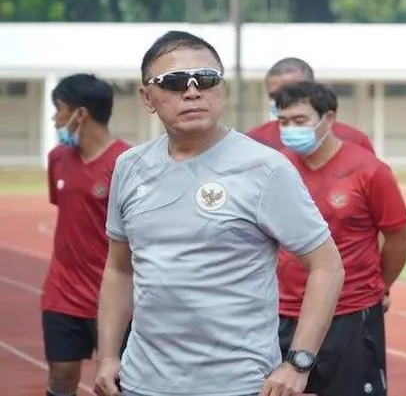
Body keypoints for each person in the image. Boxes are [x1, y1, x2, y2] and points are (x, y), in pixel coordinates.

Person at [93, 31, 345, 396]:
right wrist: (107, 357)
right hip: (142, 383)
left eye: (207, 80)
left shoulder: (264, 168)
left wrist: (297, 363)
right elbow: (119, 268)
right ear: (147, 97)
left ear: (222, 90)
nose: (193, 91)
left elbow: (327, 266)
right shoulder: (129, 167)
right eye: (176, 82)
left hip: (237, 385)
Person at [273, 80, 406, 396]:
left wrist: (379, 285)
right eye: (284, 121)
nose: (290, 128)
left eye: (300, 121)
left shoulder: (369, 171)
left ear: (329, 119)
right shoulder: (277, 168)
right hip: (282, 312)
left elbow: (399, 237)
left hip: (350, 313)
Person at [41, 73, 131, 396]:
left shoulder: (126, 162)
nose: (55, 118)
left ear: (80, 114)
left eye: (60, 109)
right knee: (61, 375)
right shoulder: (57, 159)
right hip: (62, 292)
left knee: (116, 383)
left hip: (114, 295)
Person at [247, 57, 375, 153]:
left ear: (312, 89)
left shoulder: (354, 140)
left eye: (293, 93)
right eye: (275, 96)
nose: (284, 100)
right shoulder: (254, 140)